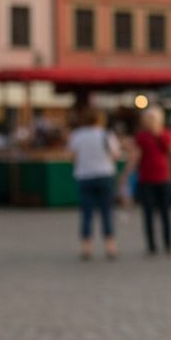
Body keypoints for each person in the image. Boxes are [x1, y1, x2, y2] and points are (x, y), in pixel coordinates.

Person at [67, 107, 120, 259]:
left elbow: (73, 156)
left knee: (86, 213)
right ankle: (110, 246)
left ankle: (86, 247)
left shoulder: (77, 135)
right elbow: (115, 155)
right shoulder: (106, 135)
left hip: (84, 176)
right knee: (106, 212)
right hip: (104, 174)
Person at [124, 105, 171, 255]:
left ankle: (168, 243)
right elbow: (135, 156)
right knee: (148, 214)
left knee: (166, 213)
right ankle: (151, 245)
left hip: (163, 178)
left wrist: (160, 136)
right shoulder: (141, 136)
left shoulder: (166, 135)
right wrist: (127, 174)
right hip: (146, 179)